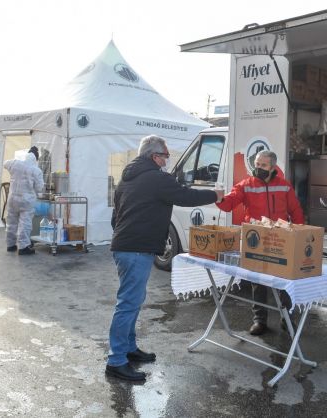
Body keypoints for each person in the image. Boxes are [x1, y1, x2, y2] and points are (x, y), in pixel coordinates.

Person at [107, 135, 223, 382]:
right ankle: (116, 362)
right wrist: (216, 195)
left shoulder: (127, 177)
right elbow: (185, 196)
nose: (167, 161)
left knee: (133, 300)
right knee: (128, 303)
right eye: (165, 156)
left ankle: (128, 348)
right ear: (154, 156)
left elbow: (115, 217)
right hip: (136, 248)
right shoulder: (157, 178)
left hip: (126, 246)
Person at [216, 150, 304, 336]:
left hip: (280, 238)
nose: (258, 168)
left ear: (272, 167)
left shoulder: (284, 186)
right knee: (257, 281)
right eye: (256, 164)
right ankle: (259, 320)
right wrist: (217, 197)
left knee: (284, 280)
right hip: (256, 239)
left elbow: (295, 210)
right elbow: (229, 203)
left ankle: (287, 318)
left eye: (263, 165)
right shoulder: (246, 185)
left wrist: (299, 233)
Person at [4, 146, 44, 255]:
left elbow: (5, 163)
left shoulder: (15, 163)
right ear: (35, 158)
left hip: (12, 199)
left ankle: (10, 245)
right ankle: (23, 246)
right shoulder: (36, 170)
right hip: (26, 201)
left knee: (11, 222)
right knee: (25, 223)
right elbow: (39, 188)